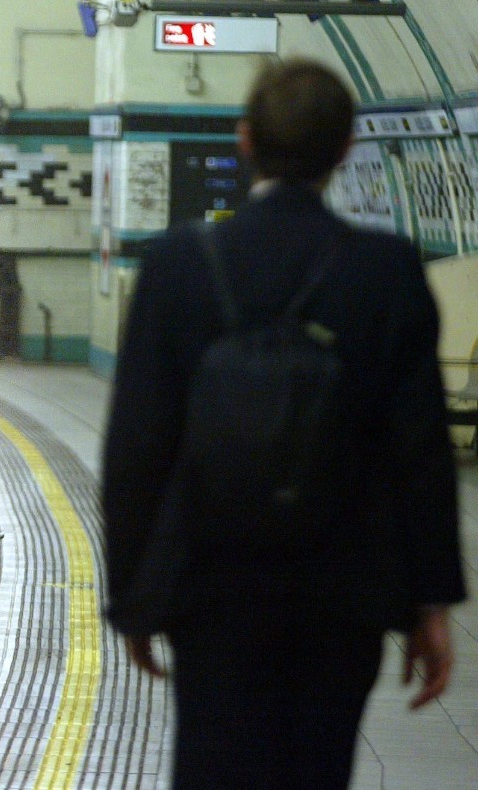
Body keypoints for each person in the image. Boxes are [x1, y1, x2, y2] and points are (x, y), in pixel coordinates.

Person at [101, 59, 465, 789]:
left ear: (245, 142)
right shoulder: (386, 271)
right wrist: (432, 601)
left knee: (212, 765)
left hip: (212, 585)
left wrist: (135, 597)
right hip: (344, 588)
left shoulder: (178, 266)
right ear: (345, 151)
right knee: (317, 769)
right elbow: (420, 449)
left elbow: (138, 444)